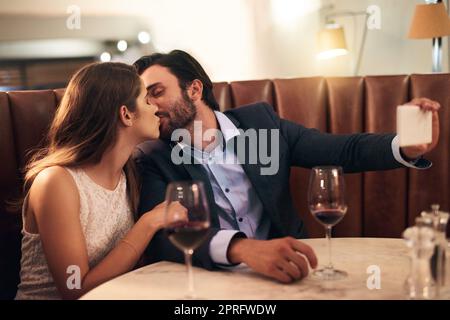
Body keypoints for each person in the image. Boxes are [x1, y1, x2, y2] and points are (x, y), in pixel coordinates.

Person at [133, 50, 440, 284]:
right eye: (145, 99)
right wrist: (241, 250)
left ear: (195, 90)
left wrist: (404, 145)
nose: (151, 105)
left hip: (295, 269)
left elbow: (343, 150)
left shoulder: (261, 124)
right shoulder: (155, 158)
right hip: (213, 279)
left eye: (157, 92)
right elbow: (163, 239)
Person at [15, 62, 185, 300]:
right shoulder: (56, 182)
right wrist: (149, 223)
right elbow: (75, 289)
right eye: (147, 99)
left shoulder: (130, 174)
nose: (156, 107)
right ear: (126, 114)